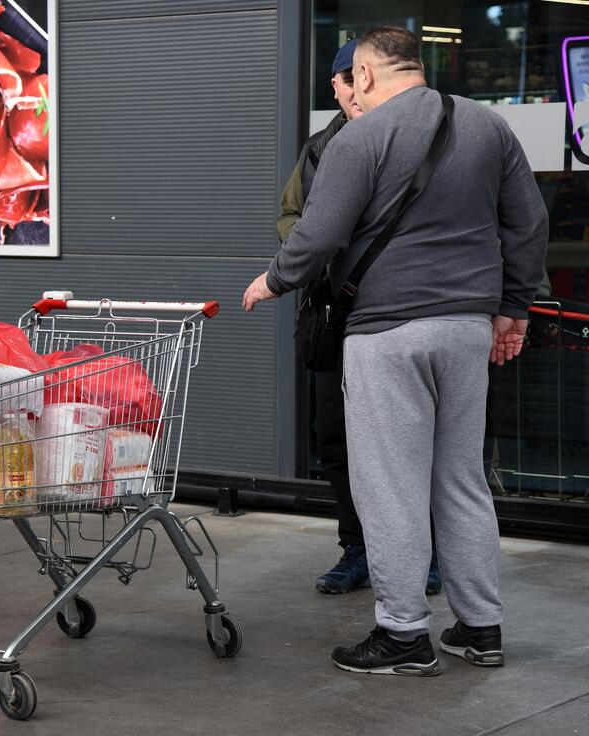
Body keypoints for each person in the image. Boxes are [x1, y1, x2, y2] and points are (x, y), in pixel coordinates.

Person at [243, 26, 548, 675]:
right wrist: (513, 309)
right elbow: (528, 221)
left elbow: (319, 233)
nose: (349, 87)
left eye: (351, 76)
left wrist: (272, 280)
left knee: (388, 485)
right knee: (461, 481)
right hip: (466, 327)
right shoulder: (487, 127)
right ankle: (480, 628)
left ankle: (404, 634)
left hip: (387, 332)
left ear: (368, 74)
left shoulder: (360, 138)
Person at [279, 40, 442, 597]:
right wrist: (319, 245)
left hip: (400, 314)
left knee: (415, 441)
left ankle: (426, 554)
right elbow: (292, 218)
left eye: (358, 78)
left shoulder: (423, 136)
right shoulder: (322, 149)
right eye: (342, 81)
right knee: (337, 441)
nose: (353, 90)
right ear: (338, 87)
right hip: (334, 317)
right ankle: (358, 551)